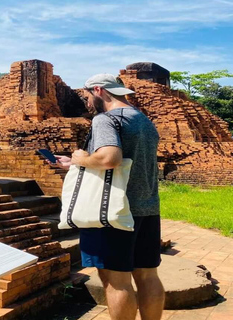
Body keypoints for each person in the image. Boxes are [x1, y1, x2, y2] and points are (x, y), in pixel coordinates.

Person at [51, 74, 165, 320]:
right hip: (147, 208)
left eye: (88, 97)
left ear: (99, 90)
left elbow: (109, 159)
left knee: (116, 280)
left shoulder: (106, 119)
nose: (88, 104)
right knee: (147, 276)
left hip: (113, 212)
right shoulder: (144, 120)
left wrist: (81, 158)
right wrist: (75, 164)